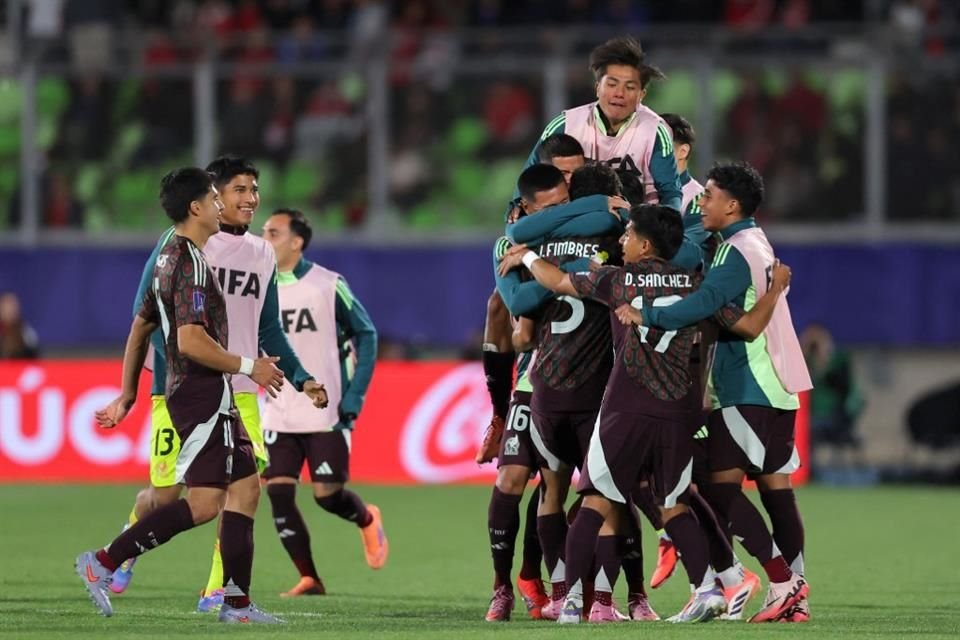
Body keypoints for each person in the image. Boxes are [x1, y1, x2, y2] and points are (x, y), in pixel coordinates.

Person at [77, 168, 298, 623]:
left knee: (246, 488)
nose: (223, 207)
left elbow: (142, 325)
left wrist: (128, 394)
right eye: (215, 200)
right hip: (200, 394)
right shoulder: (191, 264)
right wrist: (248, 366)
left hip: (200, 393)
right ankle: (102, 562)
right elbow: (190, 341)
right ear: (196, 208)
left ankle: (235, 602)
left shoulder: (167, 257)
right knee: (201, 505)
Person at [477, 34, 682, 470]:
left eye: (630, 86)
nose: (619, 94)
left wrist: (639, 232)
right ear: (597, 86)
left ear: (642, 94)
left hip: (626, 238)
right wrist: (524, 227)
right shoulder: (566, 124)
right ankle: (501, 412)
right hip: (566, 231)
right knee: (498, 304)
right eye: (612, 83)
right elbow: (525, 189)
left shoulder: (654, 132)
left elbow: (670, 199)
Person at [622, 161, 812, 623]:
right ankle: (792, 595)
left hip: (747, 385)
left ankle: (785, 583)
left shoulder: (734, 253)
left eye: (707, 195)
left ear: (731, 205)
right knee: (771, 489)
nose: (701, 202)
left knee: (716, 490)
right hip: (771, 384)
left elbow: (703, 305)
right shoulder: (756, 244)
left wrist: (645, 315)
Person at [259, 208, 387, 597]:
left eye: (273, 233)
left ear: (297, 242)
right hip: (278, 409)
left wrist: (355, 394)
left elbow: (366, 334)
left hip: (325, 411)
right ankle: (310, 578)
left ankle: (366, 517)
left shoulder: (328, 284)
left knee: (327, 496)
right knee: (278, 490)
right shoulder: (257, 286)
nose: (264, 239)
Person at [0, 292, 39, 359]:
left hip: (19, 367)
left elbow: (33, 353)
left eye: (12, 307)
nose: (9, 311)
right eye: (6, 307)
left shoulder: (24, 330)